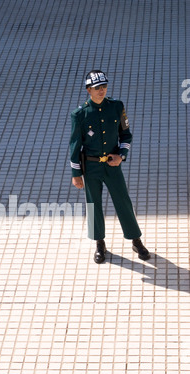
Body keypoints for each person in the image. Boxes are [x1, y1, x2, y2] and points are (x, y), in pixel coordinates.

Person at [70, 70, 150, 264]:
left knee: (123, 201)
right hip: (91, 167)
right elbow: (75, 144)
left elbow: (126, 135)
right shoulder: (80, 114)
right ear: (88, 90)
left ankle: (136, 239)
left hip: (112, 166)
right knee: (93, 204)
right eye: (97, 88)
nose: (101, 91)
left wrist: (121, 156)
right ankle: (99, 243)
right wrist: (76, 174)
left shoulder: (116, 107)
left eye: (104, 86)